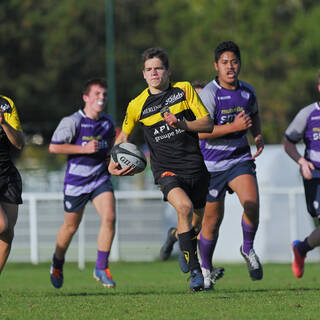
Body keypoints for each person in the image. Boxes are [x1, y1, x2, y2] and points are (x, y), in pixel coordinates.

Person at [108, 47, 214, 292]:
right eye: (148, 69)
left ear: (168, 71)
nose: (153, 73)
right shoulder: (137, 105)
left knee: (195, 222)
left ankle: (175, 235)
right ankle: (196, 273)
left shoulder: (184, 90)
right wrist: (112, 163)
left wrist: (181, 123)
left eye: (158, 68)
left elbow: (207, 124)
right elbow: (123, 136)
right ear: (143, 75)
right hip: (166, 170)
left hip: (195, 167)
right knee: (184, 207)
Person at [197, 41, 264, 289]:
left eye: (234, 61)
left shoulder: (247, 91)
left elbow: (254, 114)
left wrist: (257, 134)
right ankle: (205, 270)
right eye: (224, 62)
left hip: (239, 160)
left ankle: (247, 249)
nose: (230, 66)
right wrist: (233, 127)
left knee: (251, 203)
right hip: (212, 166)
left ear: (240, 64)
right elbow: (200, 133)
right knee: (212, 222)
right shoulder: (209, 94)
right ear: (216, 66)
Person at [49, 78, 116, 289]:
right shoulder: (72, 121)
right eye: (97, 94)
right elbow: (54, 148)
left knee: (110, 217)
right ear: (86, 97)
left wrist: (117, 162)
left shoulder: (107, 122)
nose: (101, 98)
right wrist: (83, 149)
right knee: (70, 227)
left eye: (104, 94)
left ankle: (101, 267)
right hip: (76, 183)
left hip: (99, 179)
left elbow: (112, 151)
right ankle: (57, 264)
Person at [284, 72, 320, 278]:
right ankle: (302, 249)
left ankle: (302, 249)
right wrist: (301, 161)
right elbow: (288, 143)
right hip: (315, 175)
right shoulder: (307, 114)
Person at [0, 94, 24, 277]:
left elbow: (19, 143)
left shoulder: (6, 104)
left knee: (7, 234)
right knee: (2, 225)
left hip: (7, 176)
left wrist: (3, 124)